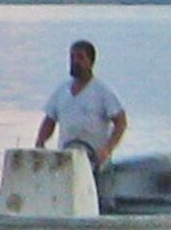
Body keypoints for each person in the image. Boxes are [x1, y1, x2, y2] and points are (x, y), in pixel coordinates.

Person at [35, 39, 128, 170]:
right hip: (67, 159)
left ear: (91, 62)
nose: (75, 62)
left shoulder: (102, 92)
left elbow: (121, 122)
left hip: (95, 162)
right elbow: (49, 120)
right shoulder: (62, 91)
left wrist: (107, 149)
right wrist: (40, 143)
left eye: (80, 57)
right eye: (72, 57)